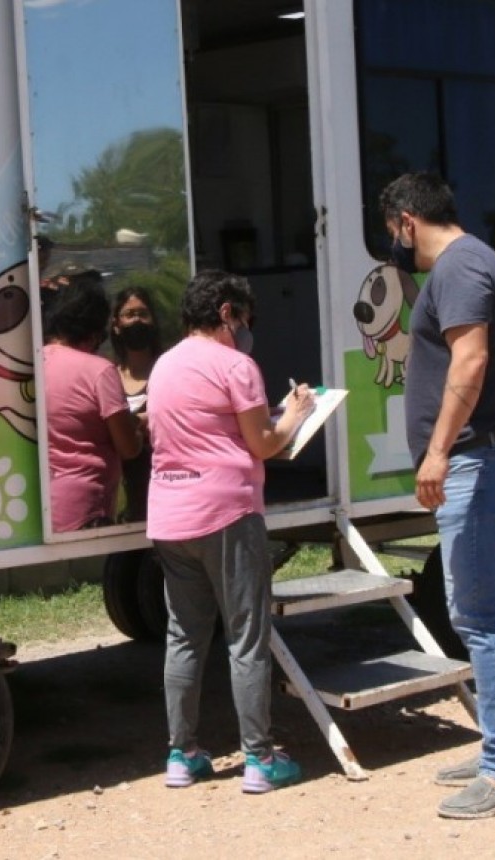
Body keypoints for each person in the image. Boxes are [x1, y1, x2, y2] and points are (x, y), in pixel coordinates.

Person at [379, 172, 495, 819]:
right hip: (482, 459)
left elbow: (469, 364)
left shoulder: (461, 267)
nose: (395, 244)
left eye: (393, 232)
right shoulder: (470, 264)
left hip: (478, 460)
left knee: (483, 616)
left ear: (406, 221)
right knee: (477, 611)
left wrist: (438, 450)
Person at [146, 269, 315, 793]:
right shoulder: (236, 365)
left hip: (169, 514)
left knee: (184, 636)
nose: (246, 329)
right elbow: (264, 443)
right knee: (246, 637)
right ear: (225, 313)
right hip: (226, 511)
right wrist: (299, 413)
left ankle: (182, 753)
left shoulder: (163, 365)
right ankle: (259, 760)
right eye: (243, 318)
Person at [43, 273, 143, 532]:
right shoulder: (99, 370)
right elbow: (128, 447)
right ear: (95, 329)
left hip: (42, 505)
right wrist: (141, 426)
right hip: (87, 509)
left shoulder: (33, 365)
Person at [109, 286, 163, 522]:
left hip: (162, 483)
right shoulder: (108, 377)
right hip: (122, 492)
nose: (137, 321)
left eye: (143, 314)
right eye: (129, 315)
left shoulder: (167, 370)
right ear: (116, 325)